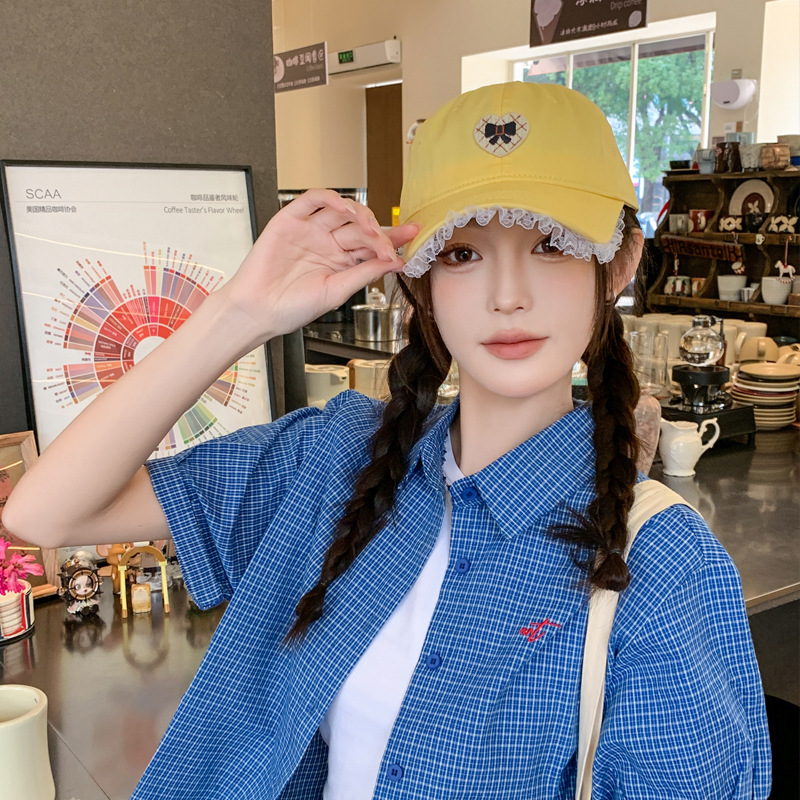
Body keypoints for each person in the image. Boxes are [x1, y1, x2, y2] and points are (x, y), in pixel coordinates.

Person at [4, 82, 770, 799]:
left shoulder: (664, 564)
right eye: (462, 254)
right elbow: (46, 513)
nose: (508, 296)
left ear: (619, 263)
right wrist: (240, 313)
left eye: (552, 245)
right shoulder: (338, 460)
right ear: (419, 281)